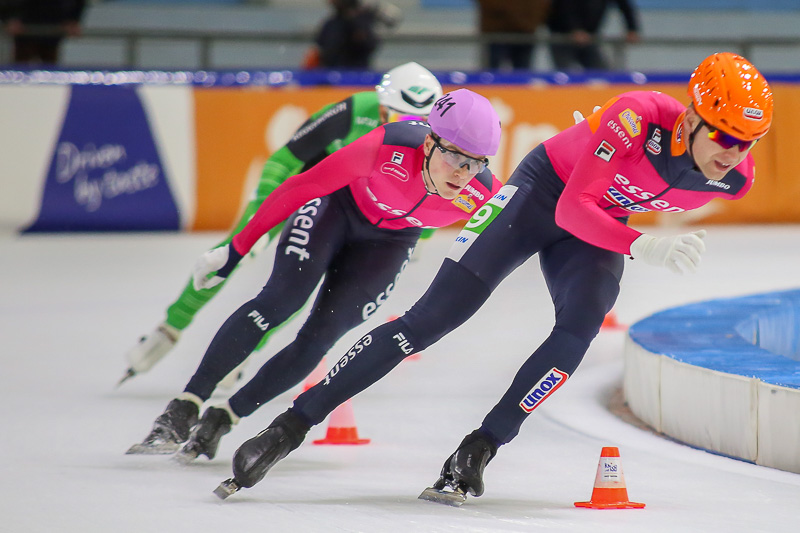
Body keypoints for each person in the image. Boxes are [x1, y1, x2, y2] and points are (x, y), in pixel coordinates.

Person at [214, 52, 774, 502]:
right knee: (425, 324)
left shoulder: (734, 179)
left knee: (580, 328)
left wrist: (626, 227)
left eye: (747, 143)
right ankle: (289, 426)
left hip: (598, 222)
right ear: (694, 118)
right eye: (725, 136)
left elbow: (598, 213)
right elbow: (571, 208)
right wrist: (643, 245)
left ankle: (480, 447)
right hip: (542, 196)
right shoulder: (637, 117)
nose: (735, 154)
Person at [127, 88, 504, 459]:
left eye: (477, 163)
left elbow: (534, 232)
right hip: (336, 210)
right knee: (278, 302)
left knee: (321, 337)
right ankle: (183, 408)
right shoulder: (388, 144)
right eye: (455, 157)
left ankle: (224, 417)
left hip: (390, 242)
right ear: (429, 143)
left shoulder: (486, 193)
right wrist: (236, 249)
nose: (463, 174)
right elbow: (300, 186)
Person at [119, 62, 443, 388]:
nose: (411, 128)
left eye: (421, 122)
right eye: (399, 117)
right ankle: (172, 325)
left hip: (357, 210)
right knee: (235, 249)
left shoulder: (437, 140)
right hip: (310, 188)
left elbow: (433, 193)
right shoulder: (356, 109)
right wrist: (260, 211)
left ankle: (242, 354)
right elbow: (285, 160)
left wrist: (423, 236)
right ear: (381, 106)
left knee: (292, 290)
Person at [546, 0, 640, 71]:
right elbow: (564, 7)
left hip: (590, 37)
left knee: (601, 72)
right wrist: (574, 29)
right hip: (563, 37)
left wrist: (632, 29)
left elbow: (624, 5)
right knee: (567, 73)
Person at [305, 0, 400, 69]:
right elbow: (316, 53)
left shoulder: (363, 20)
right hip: (330, 78)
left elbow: (369, 45)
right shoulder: (331, 23)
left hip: (356, 77)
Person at [2, 0, 86, 65]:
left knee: (50, 67)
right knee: (21, 68)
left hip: (54, 25)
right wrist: (10, 17)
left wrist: (73, 18)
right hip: (24, 28)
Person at [477, 0, 550, 71]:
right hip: (498, 32)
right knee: (492, 71)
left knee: (523, 72)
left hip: (526, 32)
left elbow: (541, 5)